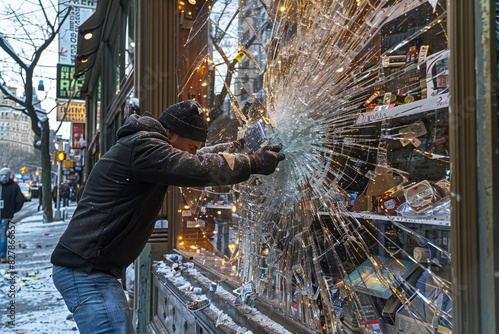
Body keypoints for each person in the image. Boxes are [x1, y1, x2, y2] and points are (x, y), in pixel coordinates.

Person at [51, 100, 285, 333]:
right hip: (86, 270)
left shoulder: (144, 146)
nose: (192, 153)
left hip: (91, 268)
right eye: (190, 147)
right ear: (169, 133)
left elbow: (194, 158)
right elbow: (193, 166)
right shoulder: (143, 146)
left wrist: (236, 148)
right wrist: (253, 162)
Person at [0, 167, 25, 263]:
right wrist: (12, 210)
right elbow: (20, 200)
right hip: (7, 214)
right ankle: (2, 256)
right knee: (3, 235)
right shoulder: (14, 186)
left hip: (6, 214)